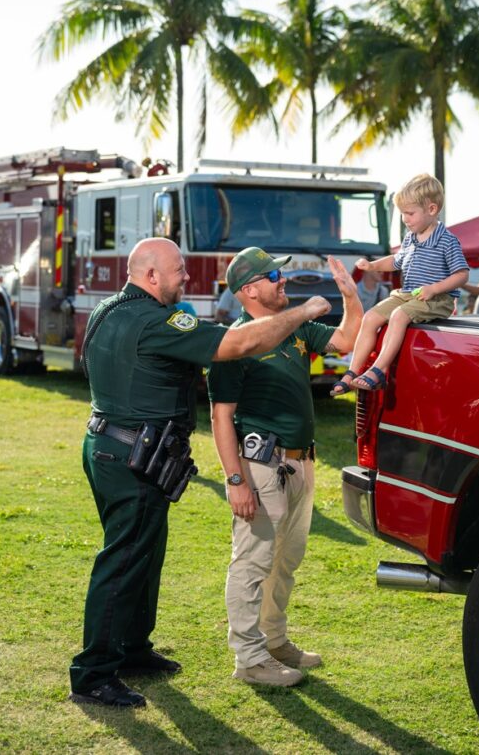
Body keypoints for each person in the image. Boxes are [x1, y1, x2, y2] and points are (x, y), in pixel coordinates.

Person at [69, 237, 329, 710]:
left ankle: (133, 649)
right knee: (123, 559)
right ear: (150, 277)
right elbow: (240, 342)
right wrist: (304, 311)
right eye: (178, 272)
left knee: (144, 554)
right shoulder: (156, 319)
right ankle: (93, 672)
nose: (186, 278)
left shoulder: (106, 309)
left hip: (110, 445)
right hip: (134, 455)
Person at [207, 247, 362, 687]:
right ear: (249, 289)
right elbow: (220, 418)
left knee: (286, 561)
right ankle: (249, 660)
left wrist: (350, 296)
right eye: (273, 275)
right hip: (260, 467)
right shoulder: (234, 344)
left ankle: (274, 641)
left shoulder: (296, 330)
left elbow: (346, 342)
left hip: (300, 464)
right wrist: (235, 481)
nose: (283, 280)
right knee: (253, 564)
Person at [331, 173, 469, 395]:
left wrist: (433, 288)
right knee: (370, 317)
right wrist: (372, 266)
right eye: (403, 213)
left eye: (410, 213)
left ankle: (378, 370)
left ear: (432, 210)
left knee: (398, 316)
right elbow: (396, 261)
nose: (405, 218)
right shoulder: (411, 237)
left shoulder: (447, 240)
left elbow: (462, 274)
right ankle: (353, 371)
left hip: (436, 299)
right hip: (409, 294)